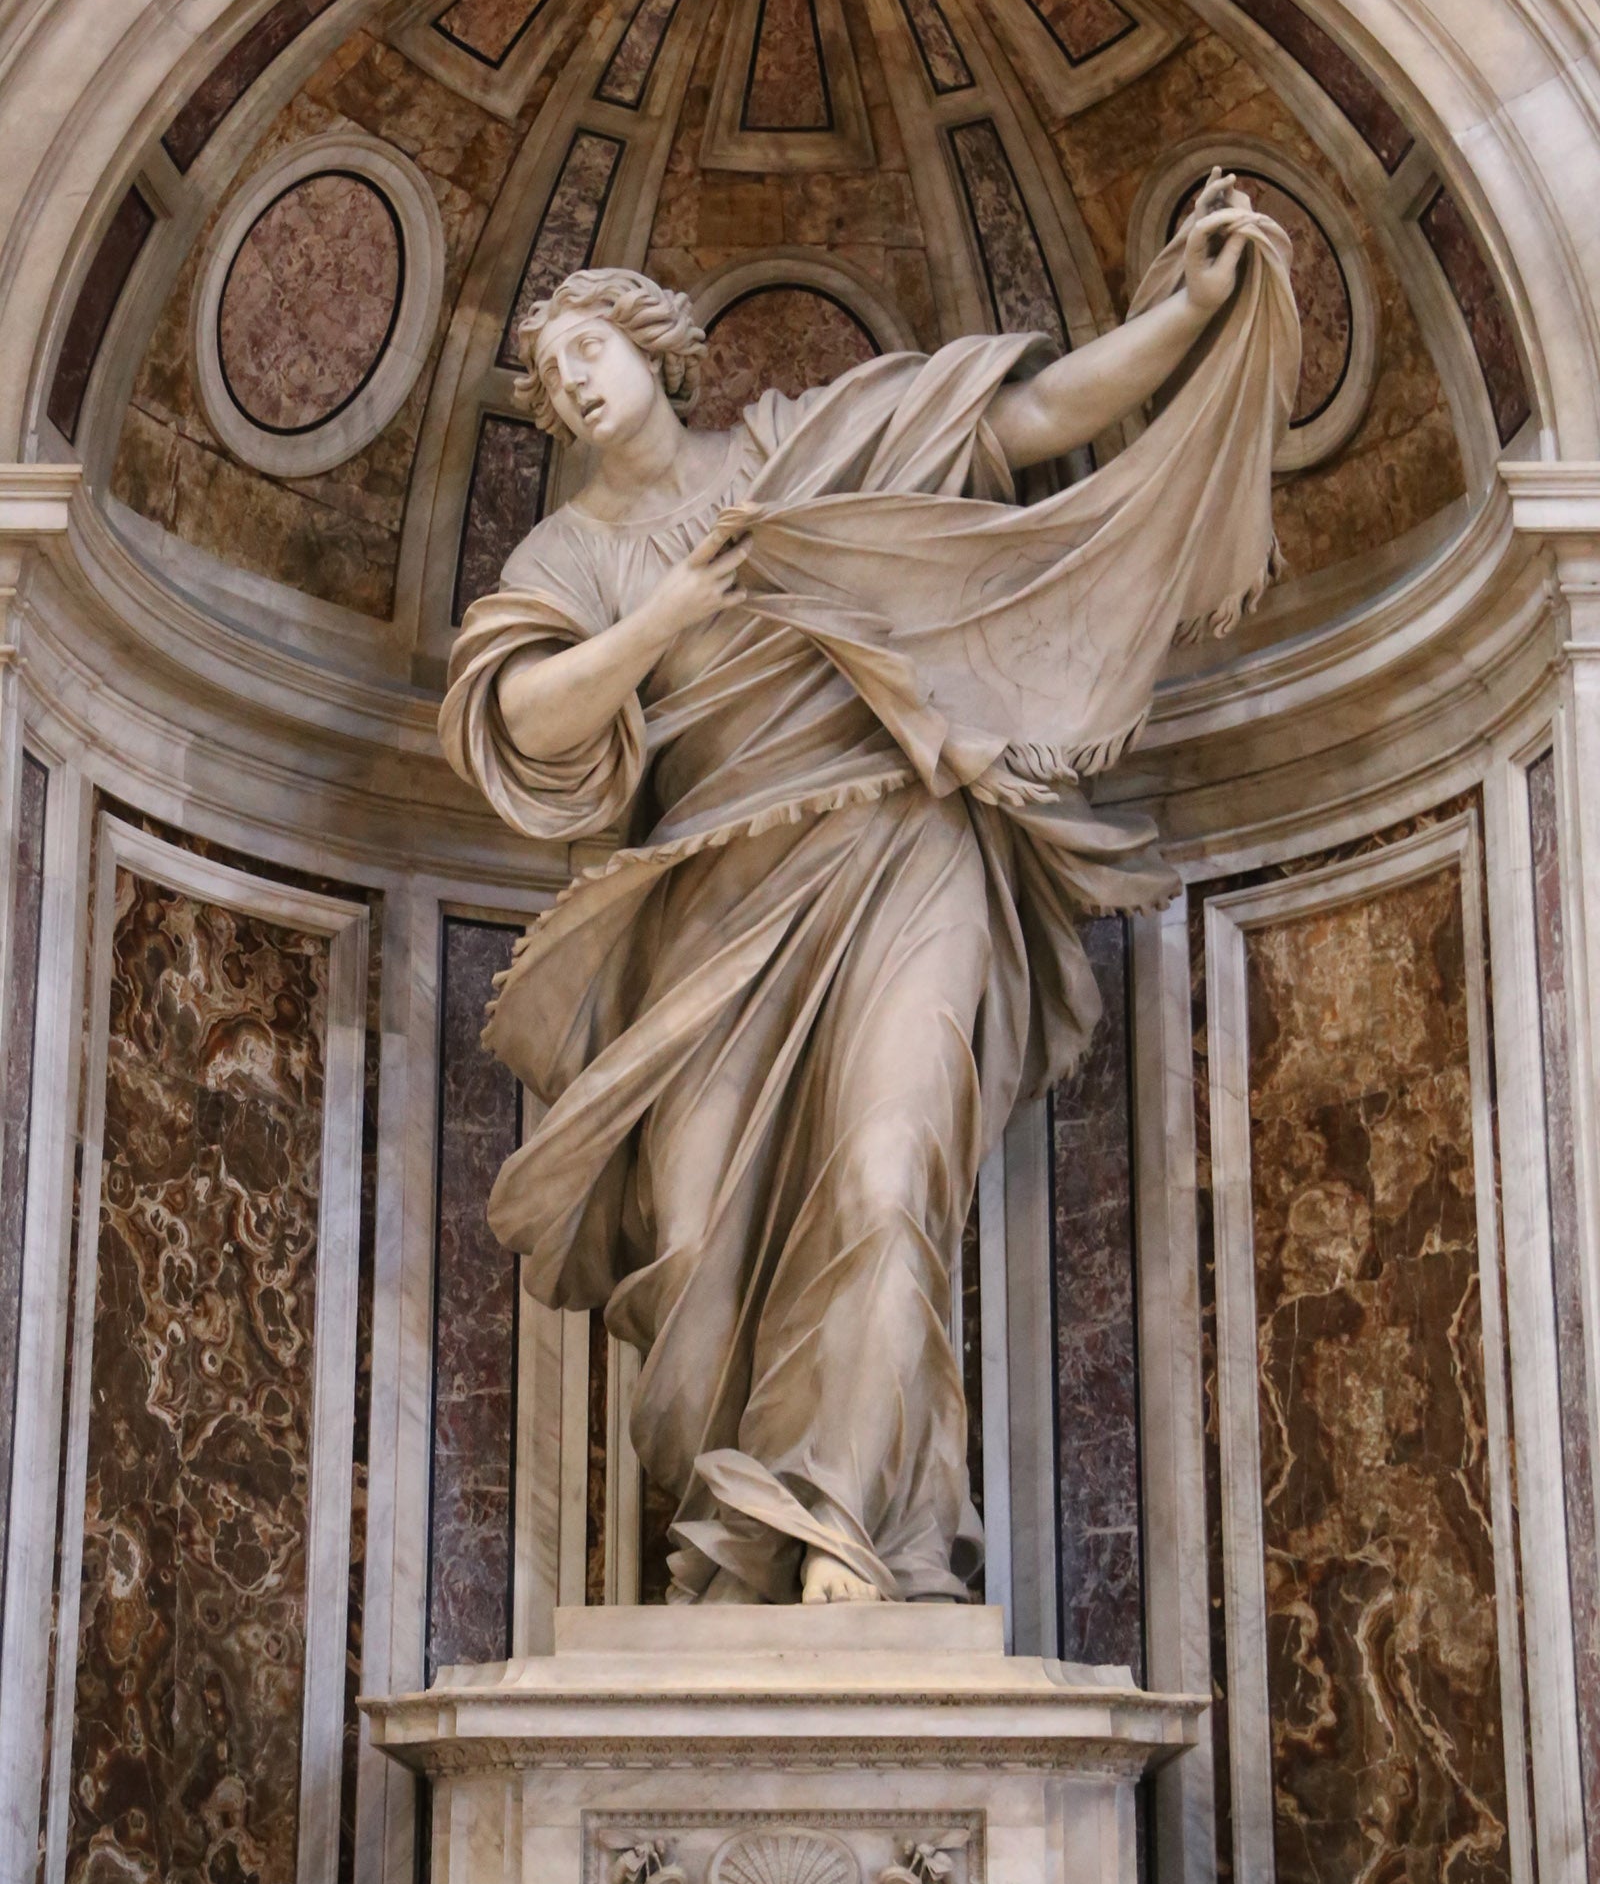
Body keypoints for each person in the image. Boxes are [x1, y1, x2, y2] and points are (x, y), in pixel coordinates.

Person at [441, 172, 1299, 1605]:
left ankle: (854, 1527)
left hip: (903, 852)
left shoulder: (802, 446)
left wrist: (1187, 316)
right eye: (551, 372)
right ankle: (741, 1544)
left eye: (590, 346)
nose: (575, 380)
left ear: (655, 348)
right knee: (697, 1240)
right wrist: (670, 614)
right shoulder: (569, 554)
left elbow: (1025, 416)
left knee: (891, 1181)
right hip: (711, 902)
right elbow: (524, 715)